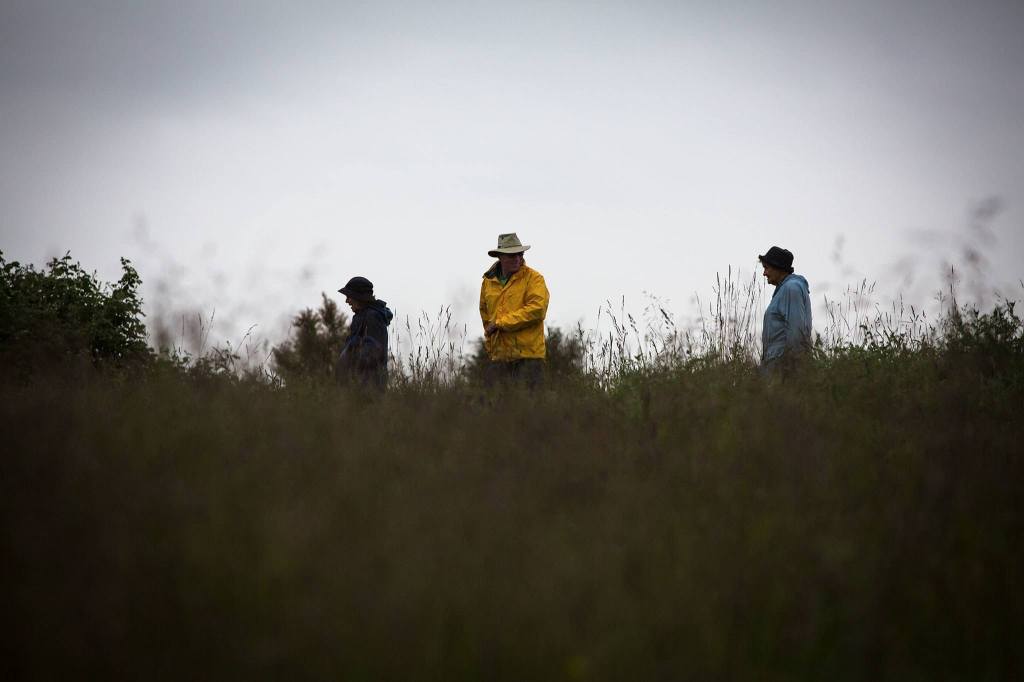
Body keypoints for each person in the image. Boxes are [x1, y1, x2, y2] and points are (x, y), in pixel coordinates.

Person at [479, 233, 550, 387]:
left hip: (529, 358)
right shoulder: (488, 282)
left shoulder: (534, 278)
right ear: (500, 257)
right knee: (495, 408)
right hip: (498, 360)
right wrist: (491, 348)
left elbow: (537, 310)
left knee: (530, 409)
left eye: (520, 254)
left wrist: (500, 323)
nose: (517, 258)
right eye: (511, 255)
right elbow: (485, 316)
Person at [759, 245, 812, 374]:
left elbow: (796, 332)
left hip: (783, 369)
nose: (764, 273)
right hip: (776, 367)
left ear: (778, 267)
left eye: (766, 268)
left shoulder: (791, 289)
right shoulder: (784, 290)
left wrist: (792, 369)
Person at [335, 276, 393, 390]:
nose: (347, 301)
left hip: (369, 389)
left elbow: (374, 354)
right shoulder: (359, 317)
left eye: (349, 296)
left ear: (359, 297)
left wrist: (351, 355)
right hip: (356, 386)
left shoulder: (373, 317)